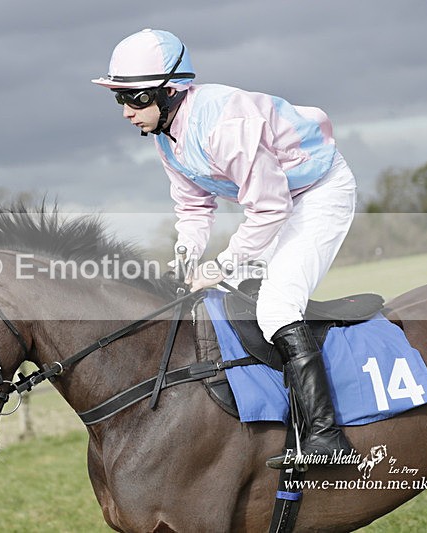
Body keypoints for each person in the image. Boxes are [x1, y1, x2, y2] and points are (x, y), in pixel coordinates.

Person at [92, 29, 357, 468]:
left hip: (319, 192)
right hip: (278, 201)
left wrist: (222, 263)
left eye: (134, 98)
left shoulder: (223, 126)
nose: (125, 112)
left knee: (276, 306)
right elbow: (194, 205)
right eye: (119, 98)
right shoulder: (166, 133)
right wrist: (186, 259)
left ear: (169, 91)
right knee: (230, 296)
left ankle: (328, 438)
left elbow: (270, 209)